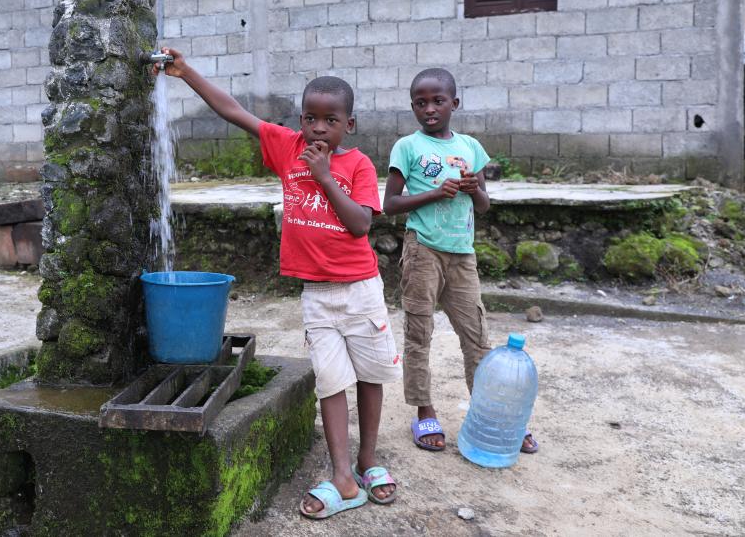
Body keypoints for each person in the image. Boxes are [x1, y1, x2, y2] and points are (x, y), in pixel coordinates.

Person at [155, 47, 403, 519]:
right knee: (330, 383)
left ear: (349, 124)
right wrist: (185, 72)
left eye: (330, 120)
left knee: (370, 378)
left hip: (360, 290)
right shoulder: (287, 147)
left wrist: (326, 177)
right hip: (317, 296)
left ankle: (369, 459)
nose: (317, 129)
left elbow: (360, 226)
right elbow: (234, 111)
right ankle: (342, 474)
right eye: (310, 118)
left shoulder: (360, 167)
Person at [384, 68, 538, 454]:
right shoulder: (407, 147)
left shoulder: (471, 147)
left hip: (462, 254)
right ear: (413, 107)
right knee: (419, 334)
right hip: (423, 251)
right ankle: (424, 411)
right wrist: (436, 193)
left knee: (478, 338)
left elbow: (483, 204)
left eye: (438, 101)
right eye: (421, 103)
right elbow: (390, 205)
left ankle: (491, 416)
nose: (430, 109)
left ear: (455, 103)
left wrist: (473, 189)